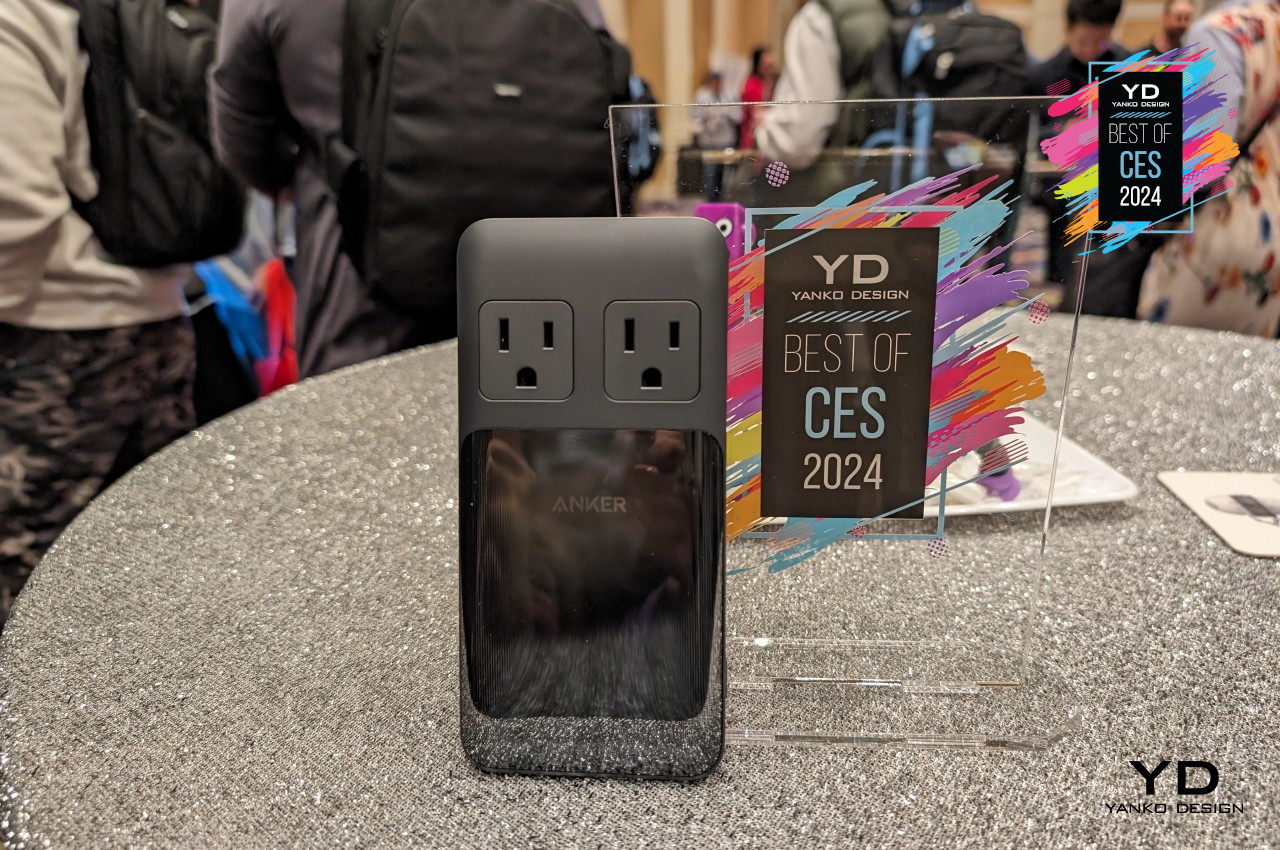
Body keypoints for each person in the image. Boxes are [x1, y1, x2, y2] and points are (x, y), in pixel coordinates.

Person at [211, 0, 614, 379]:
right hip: (549, 310)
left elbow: (242, 141)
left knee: (363, 425)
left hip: (361, 311)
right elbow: (606, 99)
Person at [0, 0, 195, 625]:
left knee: (28, 573)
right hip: (156, 308)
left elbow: (16, 209)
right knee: (151, 559)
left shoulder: (14, 17)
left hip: (53, 335)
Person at [1137, 0, 1280, 337]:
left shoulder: (1219, 32)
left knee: (1168, 356)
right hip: (1271, 229)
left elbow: (1201, 158)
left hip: (1222, 229)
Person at [1029, 0, 1129, 99]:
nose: (1090, 50)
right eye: (1082, 42)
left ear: (1112, 31)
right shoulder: (1043, 78)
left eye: (1100, 42)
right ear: (1066, 29)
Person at [692, 71, 738, 200]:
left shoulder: (729, 95)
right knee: (709, 174)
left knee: (725, 176)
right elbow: (695, 116)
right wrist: (708, 118)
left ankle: (723, 202)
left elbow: (737, 116)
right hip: (709, 142)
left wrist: (725, 113)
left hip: (725, 141)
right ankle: (710, 202)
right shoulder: (702, 96)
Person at [739, 46, 777, 151]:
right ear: (758, 65)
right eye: (766, 65)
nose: (769, 70)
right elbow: (758, 114)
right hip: (753, 138)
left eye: (771, 66)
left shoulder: (770, 82)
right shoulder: (752, 84)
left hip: (768, 137)